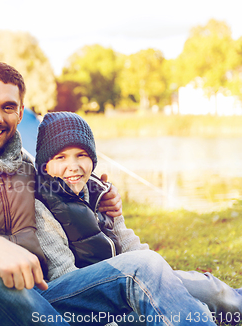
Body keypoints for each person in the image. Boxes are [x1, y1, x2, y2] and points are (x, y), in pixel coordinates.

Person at [0, 62, 216, 326]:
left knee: (144, 265)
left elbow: (68, 180)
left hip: (39, 297)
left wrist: (100, 195)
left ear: (21, 111)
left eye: (8, 107)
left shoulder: (24, 164)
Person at [34, 111, 242, 323]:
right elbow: (67, 278)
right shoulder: (41, 207)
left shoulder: (99, 193)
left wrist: (163, 279)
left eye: (81, 155)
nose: (73, 165)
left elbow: (130, 245)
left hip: (131, 281)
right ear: (45, 165)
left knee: (208, 290)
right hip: (99, 301)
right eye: (61, 157)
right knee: (193, 311)